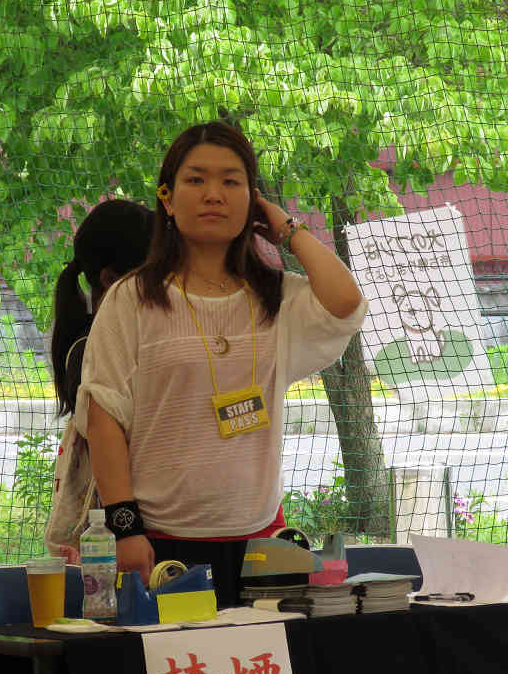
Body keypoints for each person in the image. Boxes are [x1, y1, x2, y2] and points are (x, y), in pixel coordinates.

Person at [75, 121, 367, 607]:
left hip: (261, 545)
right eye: (196, 180)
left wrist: (287, 230)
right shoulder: (132, 298)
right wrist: (126, 529)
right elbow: (104, 417)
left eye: (231, 181)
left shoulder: (278, 297)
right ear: (167, 199)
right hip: (159, 546)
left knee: (258, 659)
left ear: (252, 200)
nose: (213, 194)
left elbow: (346, 303)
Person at [44, 198, 153, 560]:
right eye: (152, 271)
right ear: (110, 279)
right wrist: (127, 530)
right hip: (118, 536)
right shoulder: (92, 350)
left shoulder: (131, 336)